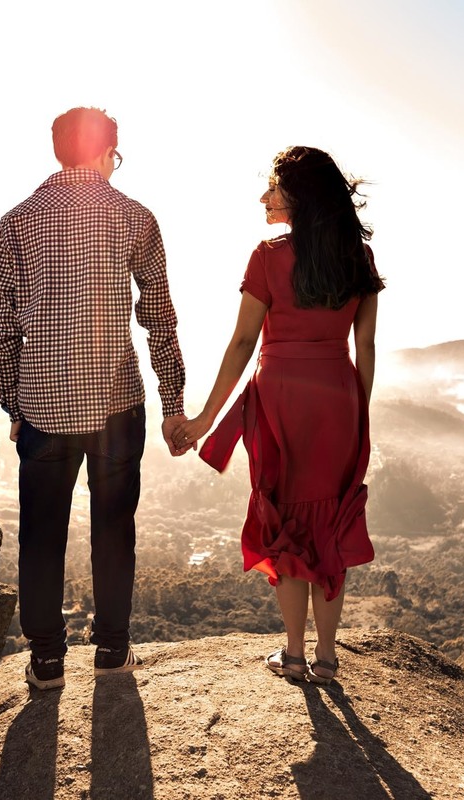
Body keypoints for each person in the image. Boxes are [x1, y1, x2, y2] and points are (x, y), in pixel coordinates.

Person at [0, 107, 188, 691]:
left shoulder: (16, 222)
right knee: (114, 531)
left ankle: (47, 660)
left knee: (42, 533)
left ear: (58, 152)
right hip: (116, 407)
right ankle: (112, 651)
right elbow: (159, 318)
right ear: (107, 153)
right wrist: (173, 401)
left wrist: (13, 405)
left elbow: (3, 325)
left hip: (44, 412)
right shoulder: (135, 217)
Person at [174, 146, 383, 684]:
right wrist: (357, 415)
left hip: (281, 401)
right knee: (330, 522)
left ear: (299, 195)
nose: (264, 197)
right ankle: (327, 659)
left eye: (273, 187)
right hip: (339, 401)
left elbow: (244, 341)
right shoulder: (358, 259)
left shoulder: (267, 256)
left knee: (286, 521)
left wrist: (203, 419)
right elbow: (367, 348)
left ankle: (294, 654)